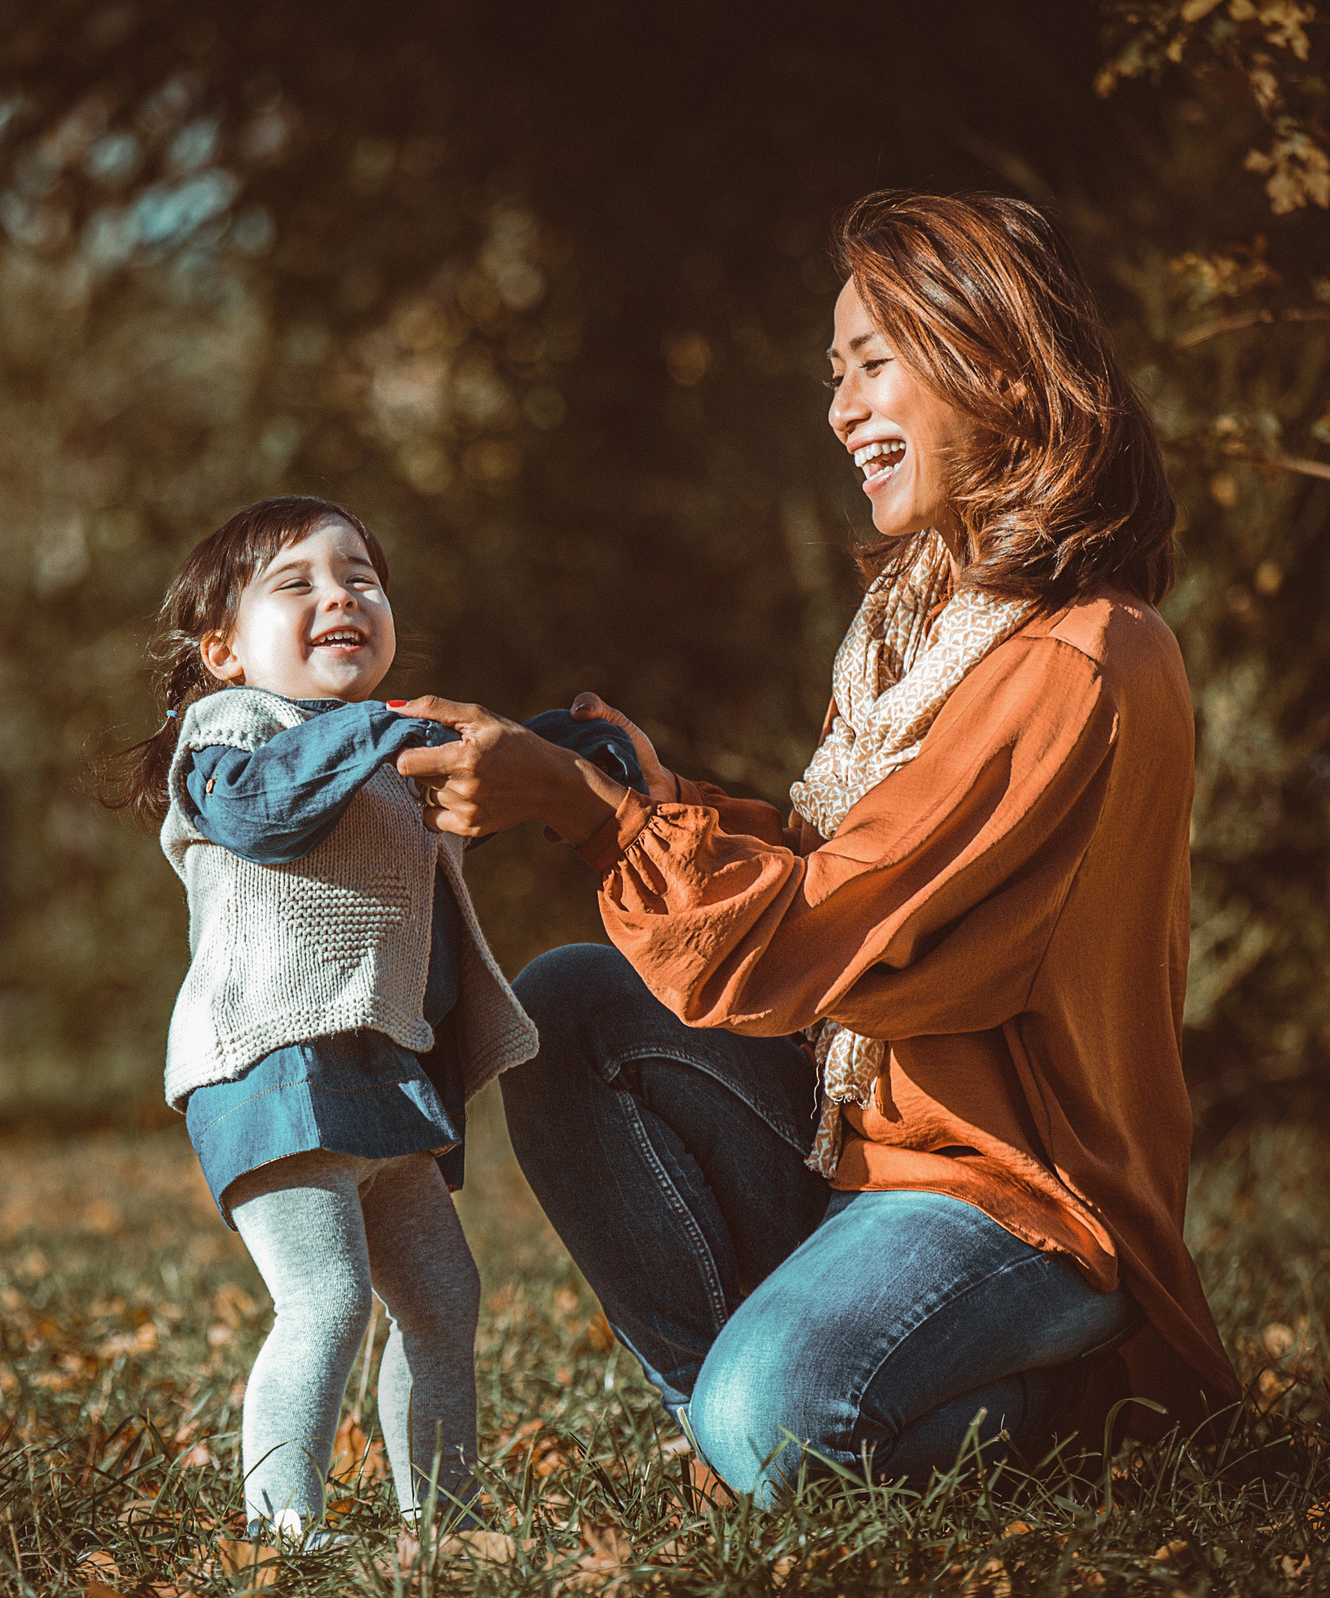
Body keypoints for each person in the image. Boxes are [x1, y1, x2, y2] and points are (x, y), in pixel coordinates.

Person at [391, 191, 1243, 1504]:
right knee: (568, 1007)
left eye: (869, 362)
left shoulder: (1078, 657)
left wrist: (590, 809)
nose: (840, 408)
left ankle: (1058, 1406)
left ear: (996, 364)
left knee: (775, 1417)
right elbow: (833, 855)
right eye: (831, 374)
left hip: (1019, 1197)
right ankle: (742, 1428)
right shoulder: (912, 627)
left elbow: (836, 925)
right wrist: (648, 792)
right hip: (858, 1148)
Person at [111, 497, 631, 1540]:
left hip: (384, 1078)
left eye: (359, 577)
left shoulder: (382, 748)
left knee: (443, 1299)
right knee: (328, 1300)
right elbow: (268, 813)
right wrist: (378, 725)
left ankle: (442, 1522)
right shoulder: (227, 738)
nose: (339, 595)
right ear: (223, 651)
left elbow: (483, 775)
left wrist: (565, 748)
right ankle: (279, 1530)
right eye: (294, 584)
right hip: (274, 1067)